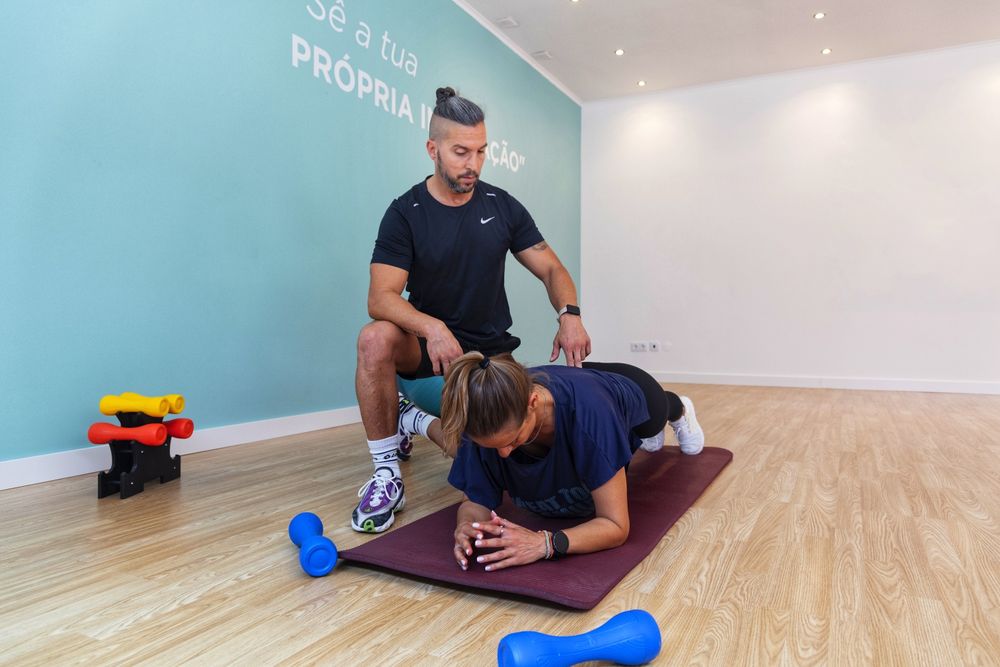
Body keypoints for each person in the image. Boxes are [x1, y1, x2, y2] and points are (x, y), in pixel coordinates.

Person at [352, 87, 592, 533]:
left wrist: (570, 313)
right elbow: (380, 298)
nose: (474, 164)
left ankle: (412, 420)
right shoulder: (406, 212)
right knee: (374, 337)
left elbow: (551, 267)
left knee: (499, 443)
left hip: (490, 354)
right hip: (430, 352)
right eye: (461, 152)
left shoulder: (501, 205)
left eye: (481, 151)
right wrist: (432, 326)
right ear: (433, 149)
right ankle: (386, 472)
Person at [440, 352, 705, 572]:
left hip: (629, 388)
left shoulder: (589, 415)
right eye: (494, 447)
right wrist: (466, 526)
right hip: (573, 383)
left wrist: (545, 544)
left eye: (513, 440)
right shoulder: (481, 419)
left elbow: (615, 526)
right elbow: (475, 501)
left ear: (533, 402)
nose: (504, 455)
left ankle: (678, 407)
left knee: (653, 420)